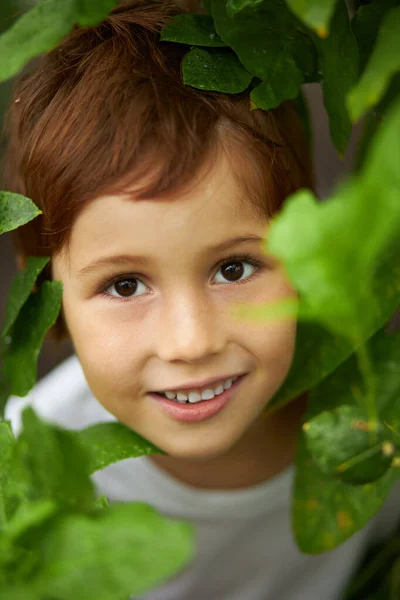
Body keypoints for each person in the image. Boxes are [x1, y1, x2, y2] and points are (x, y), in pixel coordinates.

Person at [3, 1, 399, 599]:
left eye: (234, 268)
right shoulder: (26, 480)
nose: (192, 342)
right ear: (45, 296)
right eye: (126, 284)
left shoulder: (376, 414)